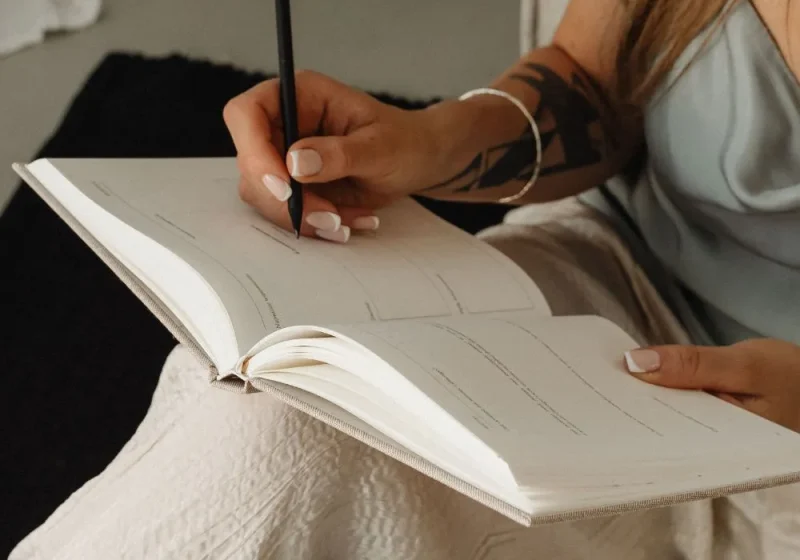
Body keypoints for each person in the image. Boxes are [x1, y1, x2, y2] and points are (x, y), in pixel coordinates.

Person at [10, 0, 800, 558]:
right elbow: (594, 83)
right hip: (627, 281)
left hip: (783, 438)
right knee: (282, 413)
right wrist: (428, 141)